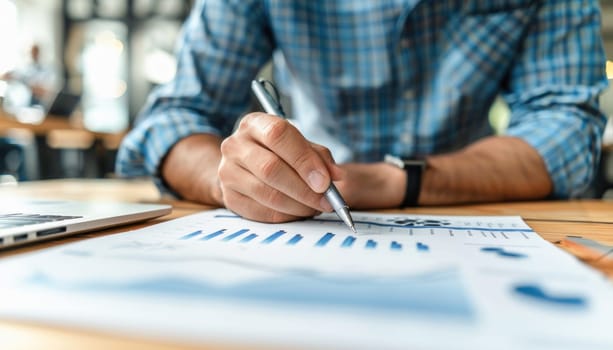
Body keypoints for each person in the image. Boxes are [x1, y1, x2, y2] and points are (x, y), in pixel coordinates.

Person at [117, 0, 608, 224]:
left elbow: (565, 128)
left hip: (473, 204)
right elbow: (175, 118)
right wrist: (229, 180)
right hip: (303, 210)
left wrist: (397, 181)